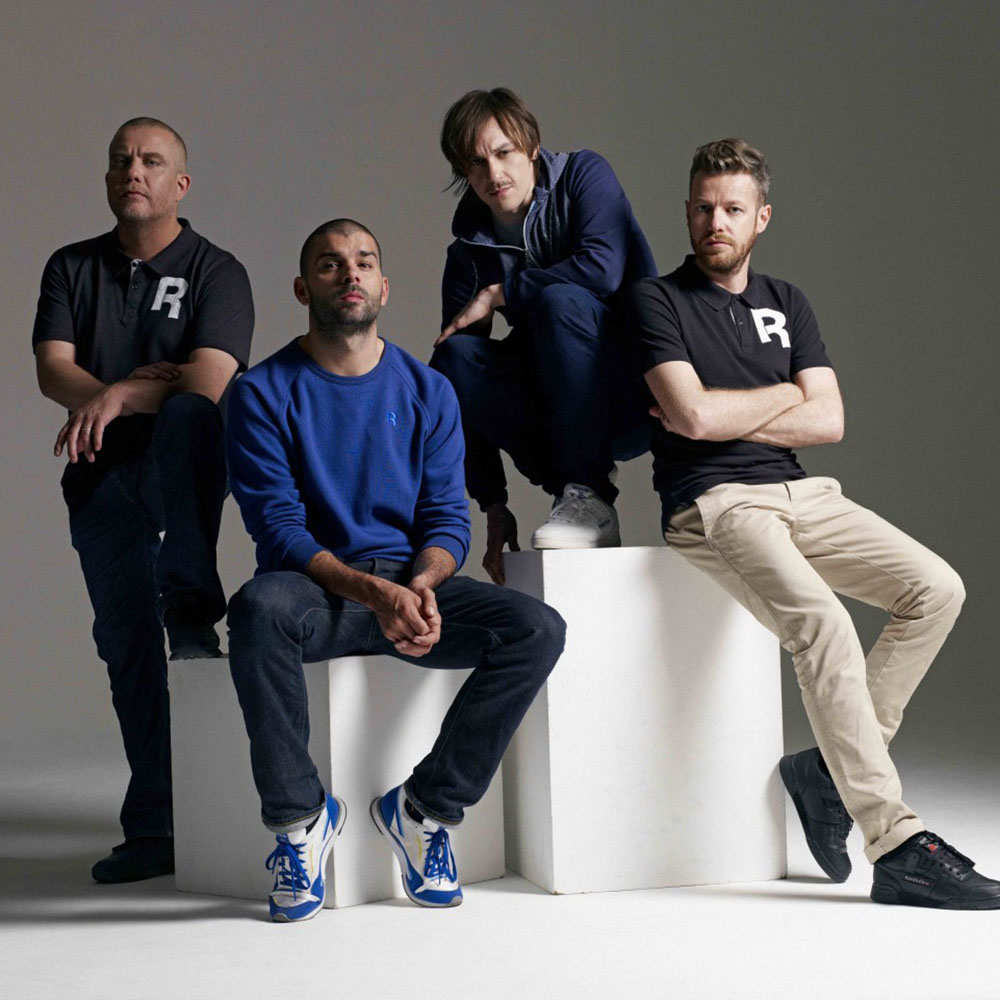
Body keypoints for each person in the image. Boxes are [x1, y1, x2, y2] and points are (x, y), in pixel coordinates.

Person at [630, 138, 1000, 909]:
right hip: (714, 502)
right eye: (704, 208)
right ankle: (895, 842)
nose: (716, 222)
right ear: (688, 212)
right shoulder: (656, 301)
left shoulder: (787, 301)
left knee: (937, 589)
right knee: (823, 626)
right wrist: (779, 396)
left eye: (733, 209)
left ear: (761, 217)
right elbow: (691, 419)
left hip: (803, 494)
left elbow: (828, 420)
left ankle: (828, 773)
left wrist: (727, 410)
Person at [225, 219, 565, 922]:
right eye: (329, 264)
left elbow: (447, 519)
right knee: (257, 609)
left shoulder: (427, 390)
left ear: (384, 286)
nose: (349, 274)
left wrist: (421, 586)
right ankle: (299, 822)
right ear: (303, 288)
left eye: (364, 262)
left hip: (407, 590)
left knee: (537, 629)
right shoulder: (260, 393)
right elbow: (278, 527)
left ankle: (423, 810)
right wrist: (371, 592)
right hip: (320, 593)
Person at [32, 117, 254, 883]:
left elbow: (208, 383)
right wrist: (129, 388)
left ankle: (190, 604)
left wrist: (117, 394)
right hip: (99, 476)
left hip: (176, 466)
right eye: (121, 160)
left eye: (152, 161)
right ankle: (158, 824)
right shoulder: (71, 266)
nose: (134, 171)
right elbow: (53, 370)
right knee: (126, 646)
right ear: (107, 178)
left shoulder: (216, 271)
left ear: (179, 184)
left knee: (190, 416)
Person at [430, 87, 656, 582]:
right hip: (559, 414)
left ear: (531, 146)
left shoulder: (582, 175)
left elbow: (601, 270)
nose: (494, 174)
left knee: (561, 300)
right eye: (476, 163)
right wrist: (492, 503)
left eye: (504, 152)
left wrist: (501, 293)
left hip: (633, 389)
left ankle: (589, 488)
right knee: (452, 359)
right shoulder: (468, 252)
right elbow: (455, 386)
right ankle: (575, 493)